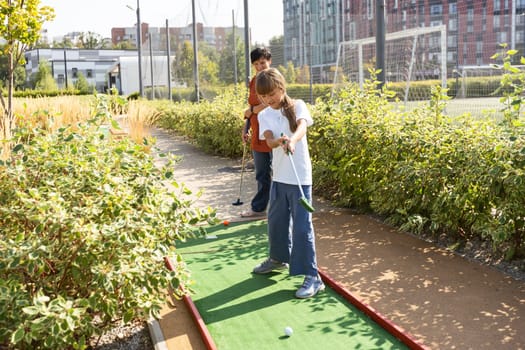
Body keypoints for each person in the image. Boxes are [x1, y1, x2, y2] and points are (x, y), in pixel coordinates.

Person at [252, 68, 324, 299]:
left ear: (281, 88)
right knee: (276, 222)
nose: (268, 99)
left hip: (300, 178)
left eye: (271, 94)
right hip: (280, 178)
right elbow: (270, 139)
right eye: (263, 97)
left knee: (303, 228)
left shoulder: (298, 105)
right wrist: (279, 141)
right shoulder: (264, 115)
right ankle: (278, 259)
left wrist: (292, 139)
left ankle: (313, 277)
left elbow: (302, 126)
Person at [240, 47, 273, 218]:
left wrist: (251, 110)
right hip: (257, 134)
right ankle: (259, 209)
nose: (260, 66)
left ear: (269, 61)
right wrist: (246, 128)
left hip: (272, 133)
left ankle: (279, 208)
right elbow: (251, 109)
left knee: (279, 174)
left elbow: (270, 103)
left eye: (263, 62)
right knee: (261, 175)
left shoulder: (274, 79)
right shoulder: (253, 82)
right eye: (256, 64)